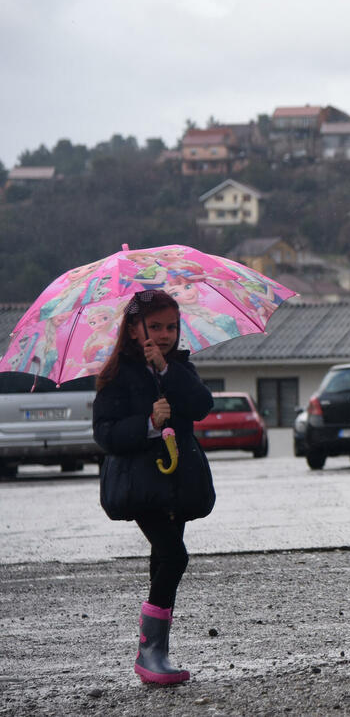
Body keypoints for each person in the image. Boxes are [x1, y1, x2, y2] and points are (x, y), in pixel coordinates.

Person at [92, 289, 215, 685]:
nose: (165, 334)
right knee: (175, 557)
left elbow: (200, 405)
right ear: (132, 329)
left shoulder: (179, 367)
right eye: (156, 326)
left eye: (172, 327)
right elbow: (106, 434)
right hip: (141, 487)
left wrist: (166, 372)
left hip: (177, 485)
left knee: (162, 562)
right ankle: (148, 653)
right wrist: (148, 422)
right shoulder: (116, 374)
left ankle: (157, 652)